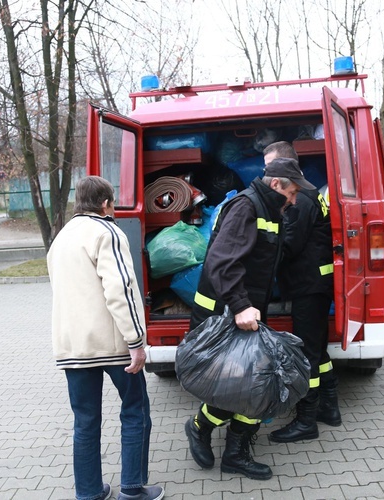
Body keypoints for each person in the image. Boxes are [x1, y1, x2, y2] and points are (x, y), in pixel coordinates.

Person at [185, 157, 315, 481]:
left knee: (253, 386)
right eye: (293, 192)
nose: (295, 199)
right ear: (276, 185)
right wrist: (242, 305)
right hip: (224, 312)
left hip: (247, 313)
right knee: (235, 386)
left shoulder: (271, 211)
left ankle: (235, 454)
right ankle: (199, 427)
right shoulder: (246, 208)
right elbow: (221, 262)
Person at [47, 176, 164, 500]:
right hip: (113, 345)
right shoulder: (106, 232)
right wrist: (136, 341)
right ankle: (132, 487)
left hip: (73, 345)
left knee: (85, 421)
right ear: (105, 204)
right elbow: (120, 290)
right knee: (135, 409)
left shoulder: (62, 238)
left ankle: (89, 492)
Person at [263, 141, 343, 444]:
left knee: (307, 355)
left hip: (308, 285)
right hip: (315, 284)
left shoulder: (300, 199)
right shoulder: (311, 193)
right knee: (318, 350)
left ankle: (306, 421)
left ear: (284, 166)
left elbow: (290, 244)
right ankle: (329, 408)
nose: (265, 172)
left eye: (268, 165)